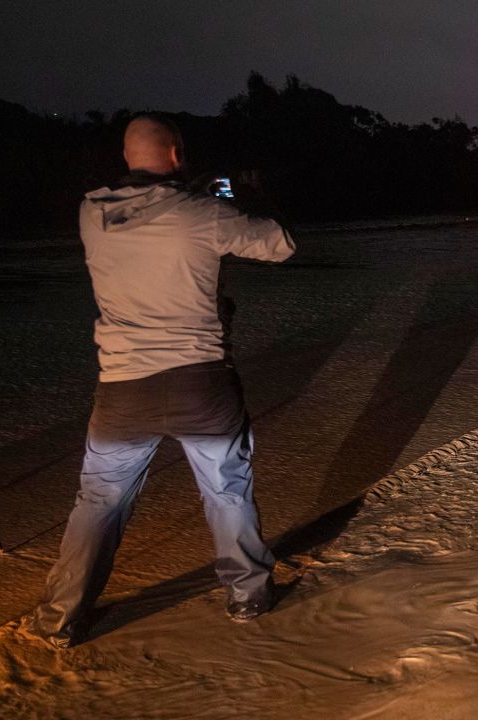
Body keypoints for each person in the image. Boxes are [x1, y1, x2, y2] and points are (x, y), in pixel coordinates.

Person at [32, 114, 296, 648]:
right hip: (200, 383)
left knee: (99, 500)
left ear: (128, 158)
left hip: (123, 388)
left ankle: (59, 619)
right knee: (226, 489)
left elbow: (150, 211)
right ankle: (248, 595)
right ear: (177, 154)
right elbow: (281, 244)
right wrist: (246, 196)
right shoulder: (203, 213)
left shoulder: (91, 213)